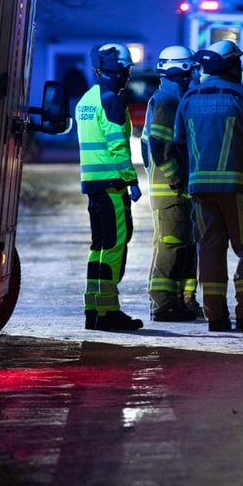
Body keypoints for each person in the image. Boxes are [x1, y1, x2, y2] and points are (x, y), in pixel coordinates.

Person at [172, 40, 243, 332]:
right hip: (240, 187)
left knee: (210, 249)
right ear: (230, 65)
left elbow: (178, 144)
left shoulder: (188, 99)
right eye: (238, 63)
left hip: (200, 189)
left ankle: (216, 317)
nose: (241, 68)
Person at [75, 42, 143, 331]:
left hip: (93, 185)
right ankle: (109, 312)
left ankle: (93, 308)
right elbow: (117, 147)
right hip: (113, 187)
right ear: (119, 72)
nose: (128, 75)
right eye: (127, 70)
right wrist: (132, 180)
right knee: (115, 245)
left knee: (99, 247)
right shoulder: (111, 101)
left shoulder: (86, 100)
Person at [141, 45, 200, 322]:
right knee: (171, 246)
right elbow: (159, 145)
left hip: (173, 189)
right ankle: (164, 303)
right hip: (173, 189)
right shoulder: (167, 101)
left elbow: (146, 148)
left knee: (183, 245)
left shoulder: (168, 97)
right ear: (184, 70)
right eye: (193, 69)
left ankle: (184, 300)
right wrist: (176, 177)